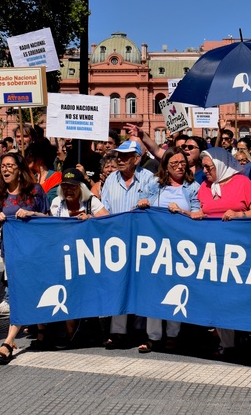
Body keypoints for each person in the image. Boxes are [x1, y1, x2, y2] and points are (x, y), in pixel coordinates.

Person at [191, 147, 251, 356]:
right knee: (217, 295)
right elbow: (204, 210)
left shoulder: (242, 182)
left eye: (208, 167)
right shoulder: (204, 186)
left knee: (237, 295)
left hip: (239, 248)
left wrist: (239, 214)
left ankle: (246, 336)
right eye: (203, 167)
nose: (205, 171)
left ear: (220, 165)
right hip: (213, 250)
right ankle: (227, 343)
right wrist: (190, 214)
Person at [31, 168, 109, 350]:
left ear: (81, 187)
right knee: (66, 293)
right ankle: (69, 334)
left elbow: (108, 222)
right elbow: (50, 223)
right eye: (65, 186)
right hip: (63, 258)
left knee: (85, 295)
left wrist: (90, 219)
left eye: (72, 186)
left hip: (86, 258)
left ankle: (88, 333)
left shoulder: (91, 202)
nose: (68, 190)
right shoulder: (58, 203)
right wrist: (33, 215)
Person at [136, 148, 201, 352]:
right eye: (174, 163)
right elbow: (138, 207)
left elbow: (199, 214)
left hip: (180, 247)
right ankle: (153, 335)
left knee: (176, 288)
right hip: (155, 246)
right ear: (165, 166)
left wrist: (182, 212)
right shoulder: (153, 184)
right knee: (153, 288)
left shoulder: (193, 187)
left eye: (182, 162)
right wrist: (142, 203)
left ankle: (173, 334)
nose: (180, 166)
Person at [0, 152, 50, 363]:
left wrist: (33, 214)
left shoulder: (35, 191)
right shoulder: (0, 194)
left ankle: (9, 341)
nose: (5, 170)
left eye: (10, 166)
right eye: (2, 166)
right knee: (17, 292)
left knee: (31, 290)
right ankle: (39, 331)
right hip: (12, 252)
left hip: (34, 252)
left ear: (19, 169)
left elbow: (49, 218)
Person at [100, 140, 158, 349]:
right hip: (117, 241)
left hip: (143, 242)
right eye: (118, 155)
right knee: (118, 285)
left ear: (137, 158)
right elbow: (104, 209)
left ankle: (142, 331)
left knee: (142, 286)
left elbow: (155, 205)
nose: (120, 159)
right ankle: (118, 332)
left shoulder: (150, 178)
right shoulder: (110, 181)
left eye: (125, 156)